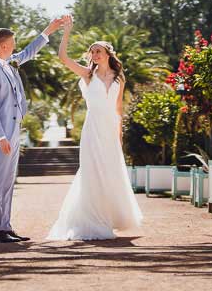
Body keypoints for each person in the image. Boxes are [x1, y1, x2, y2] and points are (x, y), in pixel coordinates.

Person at [47, 14, 143, 240]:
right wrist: (67, 32)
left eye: (99, 50)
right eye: (93, 51)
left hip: (110, 130)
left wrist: (119, 137)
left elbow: (118, 109)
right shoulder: (87, 75)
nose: (95, 54)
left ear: (108, 54)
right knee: (92, 173)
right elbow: (63, 57)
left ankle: (111, 218)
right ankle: (93, 219)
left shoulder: (119, 78)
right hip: (92, 130)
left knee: (111, 173)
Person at [0, 17, 66, 243]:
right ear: (4, 46)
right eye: (13, 43)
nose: (16, 47)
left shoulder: (9, 63)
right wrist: (0, 136)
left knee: (8, 181)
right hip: (3, 134)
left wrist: (50, 30)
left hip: (14, 129)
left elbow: (29, 51)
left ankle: (5, 227)